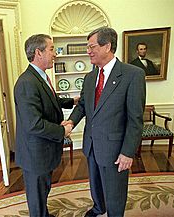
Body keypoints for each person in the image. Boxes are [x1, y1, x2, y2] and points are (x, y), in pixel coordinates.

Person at [62, 27, 146, 217]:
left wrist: (128, 152)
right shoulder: (90, 77)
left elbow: (135, 119)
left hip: (116, 149)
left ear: (107, 46)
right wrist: (70, 123)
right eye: (87, 47)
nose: (88, 51)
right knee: (96, 185)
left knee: (115, 192)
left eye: (92, 46)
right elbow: (82, 105)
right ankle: (99, 208)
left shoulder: (133, 74)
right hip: (91, 144)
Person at [14, 34, 77, 217]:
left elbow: (50, 100)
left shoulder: (39, 77)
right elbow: (33, 124)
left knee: (42, 192)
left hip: (43, 150)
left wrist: (72, 101)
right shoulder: (27, 82)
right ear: (38, 52)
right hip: (35, 154)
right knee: (36, 197)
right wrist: (62, 130)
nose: (55, 53)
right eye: (51, 49)